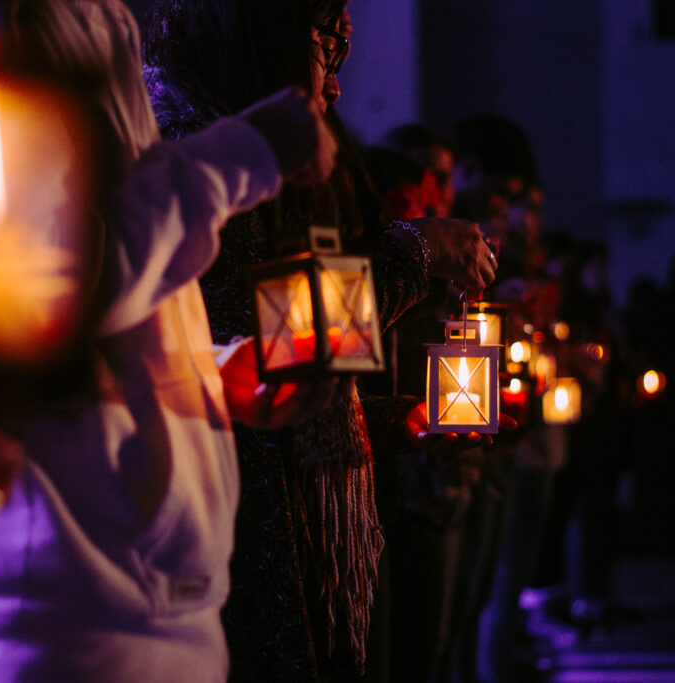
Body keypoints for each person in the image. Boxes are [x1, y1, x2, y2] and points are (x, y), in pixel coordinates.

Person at [0, 0, 340, 679]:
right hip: (49, 613)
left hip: (122, 598)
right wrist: (246, 152)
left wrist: (203, 371)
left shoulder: (87, 13)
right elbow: (25, 288)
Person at [143, 2, 498, 679]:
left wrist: (396, 418)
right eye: (325, 44)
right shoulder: (184, 151)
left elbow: (287, 356)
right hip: (236, 545)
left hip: (313, 532)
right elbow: (256, 348)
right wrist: (414, 251)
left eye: (343, 53)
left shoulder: (261, 157)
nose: (334, 84)